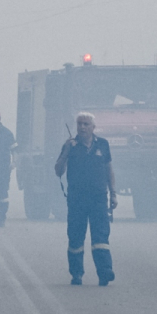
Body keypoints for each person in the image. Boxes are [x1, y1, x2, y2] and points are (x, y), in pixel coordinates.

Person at [54, 112, 117, 286]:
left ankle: (104, 272)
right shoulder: (70, 146)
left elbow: (109, 170)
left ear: (93, 127)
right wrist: (66, 151)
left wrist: (113, 193)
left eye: (86, 124)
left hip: (98, 199)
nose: (82, 127)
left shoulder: (102, 145)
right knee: (75, 238)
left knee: (101, 237)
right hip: (77, 200)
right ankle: (76, 274)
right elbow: (58, 171)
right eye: (80, 124)